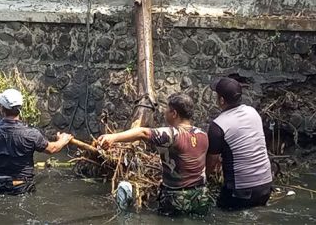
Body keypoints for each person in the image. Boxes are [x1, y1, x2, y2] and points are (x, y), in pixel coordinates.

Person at [97, 93, 211, 216]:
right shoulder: (203, 135)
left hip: (176, 198)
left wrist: (113, 137)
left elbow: (143, 133)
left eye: (167, 109)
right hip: (201, 195)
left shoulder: (172, 134)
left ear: (174, 113)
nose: (164, 112)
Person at [0, 89, 74, 194]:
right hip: (23, 186)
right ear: (20, 108)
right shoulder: (31, 134)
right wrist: (63, 140)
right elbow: (52, 149)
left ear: (2, 109)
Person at [206, 77, 273, 210]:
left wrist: (202, 180)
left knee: (220, 211)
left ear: (221, 100)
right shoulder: (253, 112)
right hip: (266, 186)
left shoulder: (218, 125)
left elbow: (211, 162)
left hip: (241, 192)